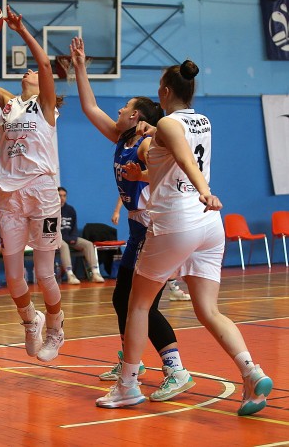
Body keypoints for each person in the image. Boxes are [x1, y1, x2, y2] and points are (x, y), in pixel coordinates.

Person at [95, 59, 273, 416]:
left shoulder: (167, 123)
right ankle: (252, 373)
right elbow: (172, 161)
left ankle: (127, 385)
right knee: (208, 310)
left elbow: (185, 160)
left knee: (137, 305)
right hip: (209, 226)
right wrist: (147, 168)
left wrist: (206, 191)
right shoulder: (201, 120)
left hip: (177, 221)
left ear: (165, 91)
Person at [70, 37, 193, 397]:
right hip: (138, 229)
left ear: (137, 116)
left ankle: (175, 368)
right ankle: (133, 362)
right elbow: (90, 107)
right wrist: (79, 67)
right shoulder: (121, 138)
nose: (120, 110)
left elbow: (173, 161)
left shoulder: (144, 144)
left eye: (125, 107)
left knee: (142, 305)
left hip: (154, 228)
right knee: (121, 299)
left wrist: (150, 152)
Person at [0, 6, 64, 362]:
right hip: (9, 195)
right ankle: (30, 321)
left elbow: (45, 64)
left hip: (42, 193)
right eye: (28, 72)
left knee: (44, 273)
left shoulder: (46, 105)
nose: (28, 72)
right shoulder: (9, 104)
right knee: (12, 276)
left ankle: (56, 327)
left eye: (33, 72)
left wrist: (22, 30)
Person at [111, 197, 190, 302]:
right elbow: (123, 193)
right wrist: (116, 211)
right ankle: (134, 294)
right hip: (143, 218)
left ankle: (173, 288)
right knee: (143, 262)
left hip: (156, 216)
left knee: (169, 258)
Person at [58, 186, 104, 284]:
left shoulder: (70, 210)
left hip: (70, 237)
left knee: (88, 244)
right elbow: (51, 231)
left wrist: (73, 238)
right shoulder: (50, 210)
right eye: (60, 195)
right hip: (57, 239)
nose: (62, 198)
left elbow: (74, 227)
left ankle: (95, 273)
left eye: (64, 196)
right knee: (64, 245)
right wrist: (68, 239)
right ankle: (70, 275)